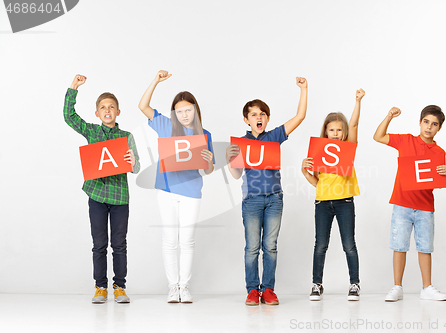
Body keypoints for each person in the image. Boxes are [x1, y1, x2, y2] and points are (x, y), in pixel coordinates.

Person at [226, 77, 308, 306]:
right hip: (251, 199)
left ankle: (268, 289)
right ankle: (253, 290)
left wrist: (304, 89)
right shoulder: (241, 143)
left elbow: (299, 117)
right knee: (252, 247)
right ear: (246, 119)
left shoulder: (273, 137)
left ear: (267, 118)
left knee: (270, 246)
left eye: (262, 114)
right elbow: (236, 175)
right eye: (253, 114)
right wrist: (231, 160)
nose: (258, 117)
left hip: (274, 198)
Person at [138, 70, 214, 303]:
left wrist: (209, 160)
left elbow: (208, 170)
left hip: (192, 192)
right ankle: (173, 287)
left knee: (187, 240)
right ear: (174, 113)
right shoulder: (165, 126)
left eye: (188, 110)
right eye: (179, 111)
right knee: (170, 240)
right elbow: (143, 106)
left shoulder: (204, 134)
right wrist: (155, 81)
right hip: (167, 191)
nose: (184, 114)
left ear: (195, 110)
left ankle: (184, 286)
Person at [63, 74, 140, 303]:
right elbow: (69, 116)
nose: (108, 110)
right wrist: (73, 89)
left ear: (118, 112)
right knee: (99, 244)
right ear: (97, 113)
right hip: (96, 195)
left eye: (112, 107)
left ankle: (119, 287)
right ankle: (100, 287)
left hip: (119, 198)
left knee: (119, 244)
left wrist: (133, 160)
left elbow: (136, 169)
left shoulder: (126, 137)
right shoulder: (92, 132)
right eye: (103, 108)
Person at [373, 105, 446, 302]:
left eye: (434, 124)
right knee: (399, 246)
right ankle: (397, 286)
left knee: (425, 247)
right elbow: (378, 136)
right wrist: (389, 116)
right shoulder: (406, 140)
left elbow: (437, 181)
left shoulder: (439, 152)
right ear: (420, 122)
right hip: (402, 203)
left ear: (439, 128)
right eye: (426, 122)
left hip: (425, 207)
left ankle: (427, 287)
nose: (429, 127)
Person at [301, 89, 365, 302]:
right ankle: (316, 284)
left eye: (339, 130)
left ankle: (354, 284)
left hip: (344, 202)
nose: (335, 133)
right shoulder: (320, 152)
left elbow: (354, 124)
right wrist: (305, 172)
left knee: (349, 244)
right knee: (320, 244)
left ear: (344, 132)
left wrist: (357, 102)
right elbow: (317, 182)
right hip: (323, 203)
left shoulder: (348, 148)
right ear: (325, 132)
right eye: (331, 130)